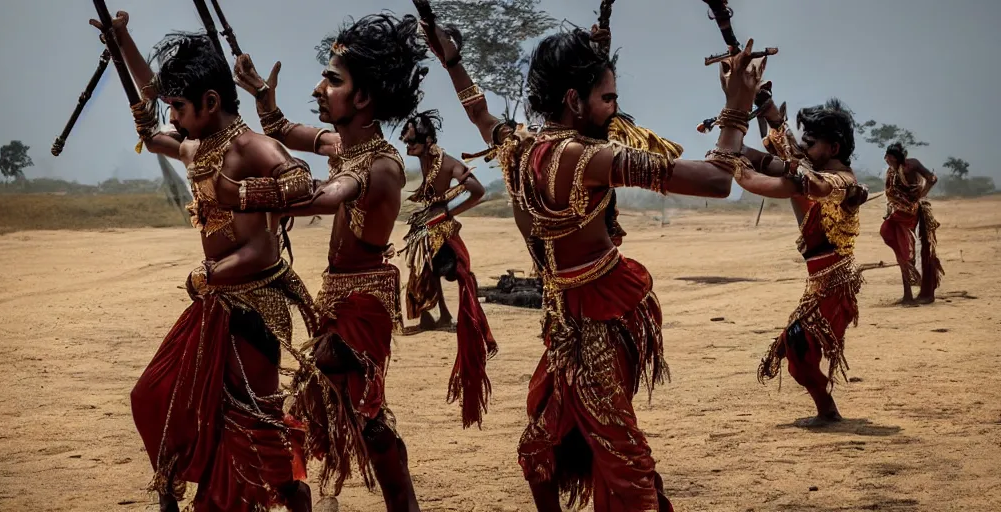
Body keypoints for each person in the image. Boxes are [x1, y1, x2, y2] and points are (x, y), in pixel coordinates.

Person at [422, 18, 766, 511]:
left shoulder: (519, 147)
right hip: (573, 326)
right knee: (545, 449)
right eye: (608, 99)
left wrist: (452, 61)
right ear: (573, 100)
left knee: (618, 459)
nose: (616, 109)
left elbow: (478, 112)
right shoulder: (587, 157)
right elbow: (716, 181)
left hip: (604, 321)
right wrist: (737, 107)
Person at [90, 12, 321, 512]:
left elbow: (292, 196)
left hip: (255, 308)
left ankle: (296, 499)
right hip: (214, 301)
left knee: (255, 425)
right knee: (154, 396)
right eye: (171, 105)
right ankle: (175, 490)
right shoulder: (197, 147)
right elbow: (153, 128)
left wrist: (215, 257)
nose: (171, 115)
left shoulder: (251, 148)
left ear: (210, 102)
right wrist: (122, 39)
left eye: (178, 106)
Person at [233, 13, 440, 511]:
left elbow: (330, 196)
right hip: (337, 295)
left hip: (364, 305)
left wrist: (248, 195)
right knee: (365, 417)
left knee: (327, 387)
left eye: (333, 79)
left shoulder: (381, 165)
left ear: (363, 98)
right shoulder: (339, 144)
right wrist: (263, 98)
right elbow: (281, 128)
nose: (319, 87)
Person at [733, 91, 870, 424]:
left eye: (813, 142)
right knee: (798, 352)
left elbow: (815, 183)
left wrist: (742, 167)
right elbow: (793, 155)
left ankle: (827, 411)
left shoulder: (842, 181)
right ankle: (827, 410)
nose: (805, 148)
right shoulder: (816, 168)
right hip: (822, 282)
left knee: (798, 348)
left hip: (834, 283)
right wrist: (766, 112)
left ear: (833, 148)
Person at [397, 110, 497, 427]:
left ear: (427, 141)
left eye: (412, 140)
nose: (407, 145)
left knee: (445, 271)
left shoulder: (449, 162)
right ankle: (439, 315)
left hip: (440, 229)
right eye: (406, 139)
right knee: (424, 272)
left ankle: (449, 317)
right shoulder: (426, 160)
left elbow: (478, 191)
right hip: (427, 225)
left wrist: (447, 213)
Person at [880, 142, 943, 304]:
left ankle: (921, 292)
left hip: (909, 213)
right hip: (896, 214)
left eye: (889, 157)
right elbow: (891, 193)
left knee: (907, 250)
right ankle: (907, 294)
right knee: (894, 242)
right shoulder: (891, 171)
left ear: (895, 157)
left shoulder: (911, 165)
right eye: (886, 157)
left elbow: (932, 178)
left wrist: (921, 195)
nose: (886, 159)